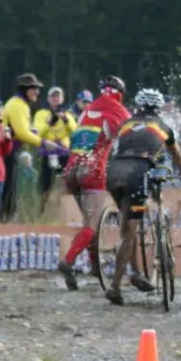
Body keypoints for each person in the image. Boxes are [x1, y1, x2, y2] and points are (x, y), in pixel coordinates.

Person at [102, 88, 181, 305]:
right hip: (138, 172)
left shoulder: (126, 124)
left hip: (114, 171)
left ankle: (133, 271)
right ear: (158, 108)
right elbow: (177, 156)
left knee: (128, 225)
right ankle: (115, 286)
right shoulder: (163, 126)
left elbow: (113, 147)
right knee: (130, 233)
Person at [58, 75, 130, 290]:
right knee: (91, 224)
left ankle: (95, 267)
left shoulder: (87, 111)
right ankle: (68, 261)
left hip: (71, 170)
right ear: (120, 93)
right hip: (92, 170)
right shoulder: (118, 109)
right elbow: (132, 134)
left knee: (92, 223)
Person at [1, 73, 65, 221]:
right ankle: (3, 221)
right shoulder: (18, 105)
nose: (37, 92)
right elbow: (22, 133)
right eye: (33, 88)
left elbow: (24, 129)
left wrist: (33, 132)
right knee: (9, 188)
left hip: (11, 150)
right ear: (25, 90)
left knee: (11, 187)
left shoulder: (20, 104)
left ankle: (5, 218)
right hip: (7, 150)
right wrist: (43, 142)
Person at [33, 86, 76, 209]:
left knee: (68, 181)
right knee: (45, 183)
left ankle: (64, 208)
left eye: (58, 96)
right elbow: (38, 132)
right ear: (48, 98)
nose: (56, 98)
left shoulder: (67, 114)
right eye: (53, 96)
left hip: (63, 153)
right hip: (48, 152)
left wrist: (65, 120)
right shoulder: (41, 114)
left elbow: (74, 132)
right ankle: (41, 209)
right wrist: (50, 123)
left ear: (62, 99)